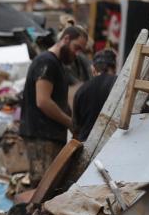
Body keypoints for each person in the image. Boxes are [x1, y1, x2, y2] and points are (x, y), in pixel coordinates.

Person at [20, 25, 89, 183]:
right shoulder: (47, 62)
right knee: (42, 187)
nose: (77, 54)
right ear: (65, 39)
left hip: (49, 137)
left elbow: (59, 101)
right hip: (41, 136)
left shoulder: (56, 65)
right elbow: (43, 101)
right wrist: (70, 123)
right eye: (76, 47)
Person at [72, 49, 117, 142]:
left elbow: (76, 126)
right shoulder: (120, 85)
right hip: (112, 145)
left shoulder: (81, 90)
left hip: (86, 144)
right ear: (114, 68)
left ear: (93, 69)